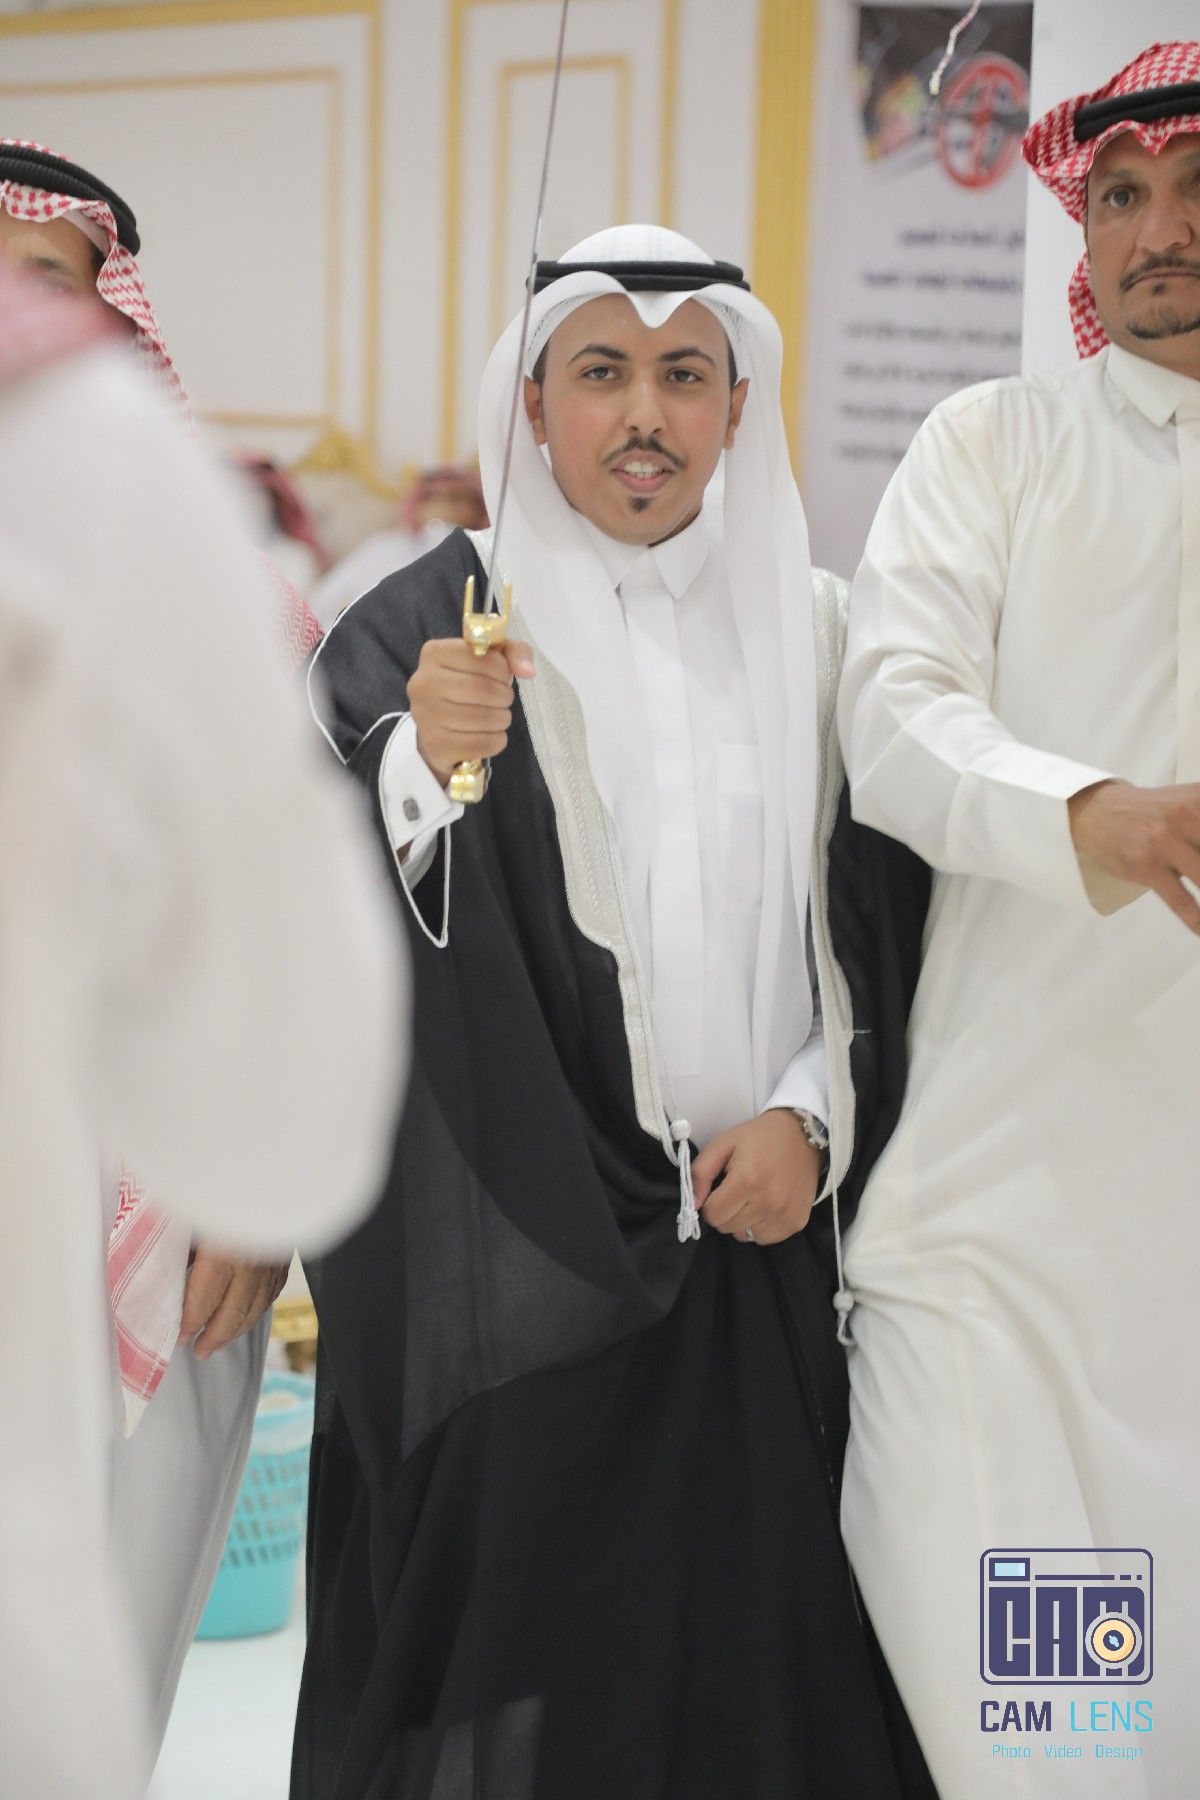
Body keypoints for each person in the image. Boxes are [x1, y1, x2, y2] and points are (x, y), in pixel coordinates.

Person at [296, 224, 934, 1799]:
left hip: (764, 1255)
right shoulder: (421, 626)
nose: (645, 415)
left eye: (683, 375)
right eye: (601, 372)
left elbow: (888, 927)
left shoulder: (825, 634)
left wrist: (813, 1116)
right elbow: (306, 906)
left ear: (735, 405)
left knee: (757, 1682)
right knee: (515, 1694)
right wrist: (419, 762)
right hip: (526, 1280)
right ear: (533, 403)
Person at [837, 42, 1200, 1799]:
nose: (1158, 231)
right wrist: (1085, 811)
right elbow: (893, 713)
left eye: (1193, 192)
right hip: (1002, 1265)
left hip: (1179, 1285)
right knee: (1055, 1757)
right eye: (1122, 195)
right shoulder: (997, 444)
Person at [0, 262, 408, 1796]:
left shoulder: (228, 606)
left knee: (100, 1661)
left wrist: (245, 1207)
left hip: (146, 1227)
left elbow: (285, 985)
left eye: (42, 275)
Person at [307, 462, 488, 628]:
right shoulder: (382, 545)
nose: (440, 505)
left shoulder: (481, 556)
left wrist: (439, 529)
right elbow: (320, 604)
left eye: (455, 498)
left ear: (478, 506)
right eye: (430, 497)